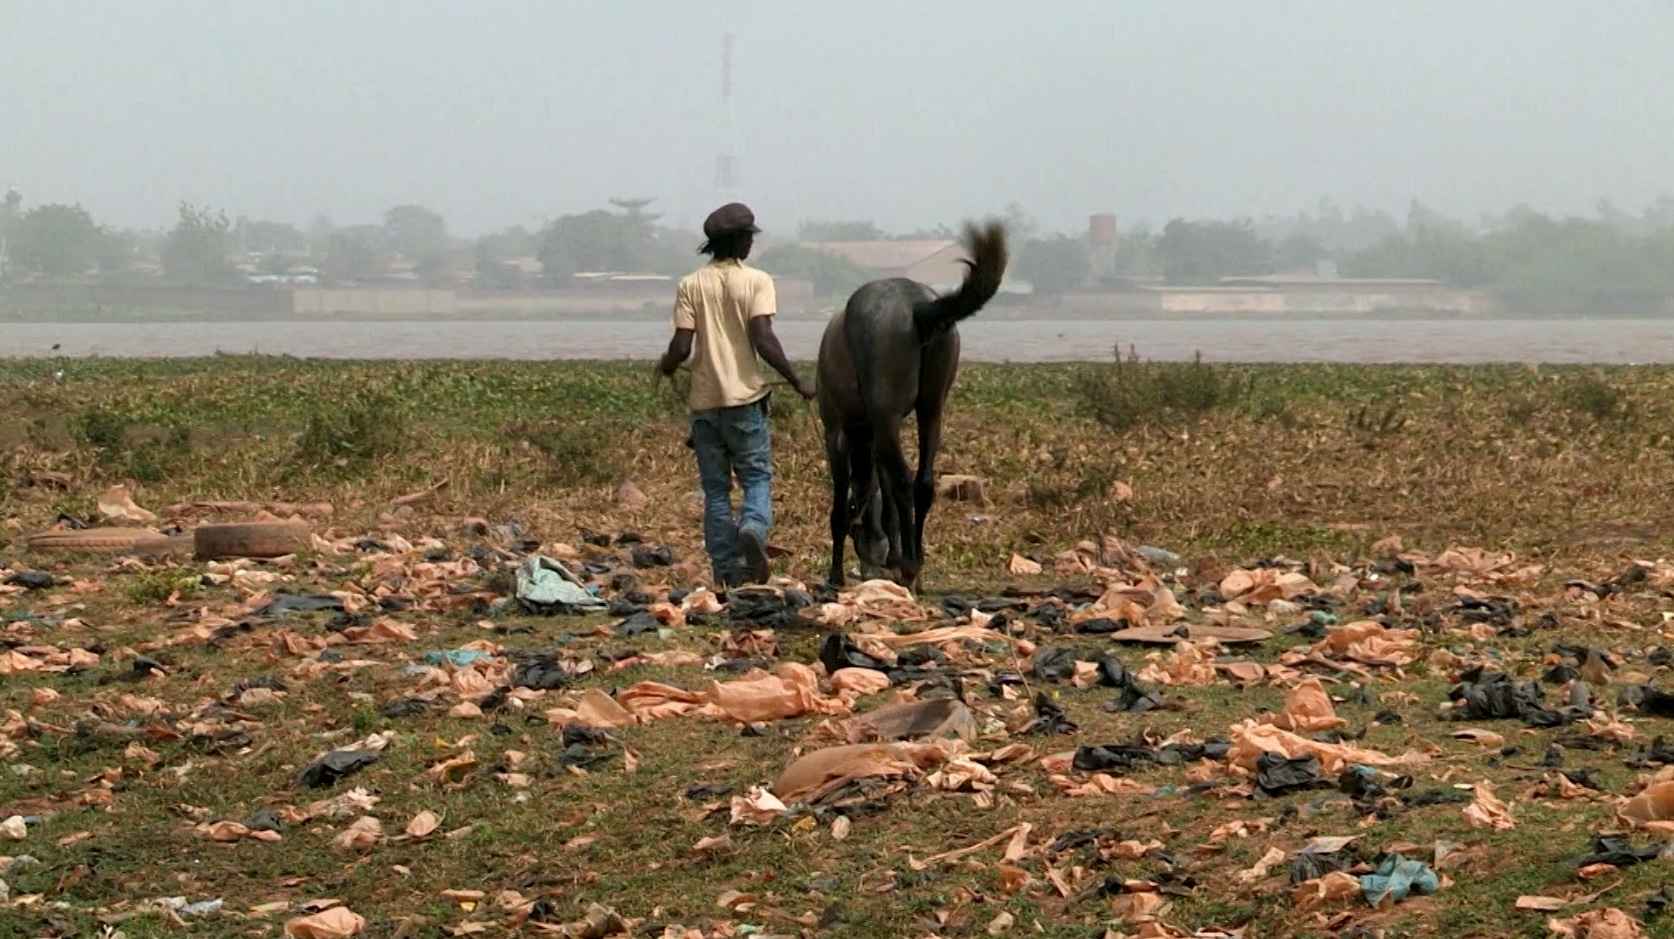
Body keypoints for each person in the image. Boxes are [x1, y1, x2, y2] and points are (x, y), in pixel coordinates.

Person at [657, 202, 814, 587]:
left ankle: (726, 570)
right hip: (745, 402)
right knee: (757, 478)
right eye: (749, 239)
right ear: (742, 241)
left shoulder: (690, 284)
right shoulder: (757, 281)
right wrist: (796, 381)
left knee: (715, 490)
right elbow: (763, 338)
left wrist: (665, 365)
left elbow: (680, 348)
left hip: (706, 406)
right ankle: (754, 530)